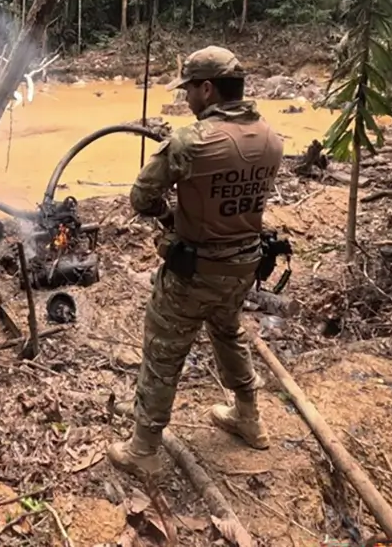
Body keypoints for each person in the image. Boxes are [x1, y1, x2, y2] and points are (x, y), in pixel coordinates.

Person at [108, 45, 284, 478]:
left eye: (188, 90)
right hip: (244, 268)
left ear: (208, 89)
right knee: (228, 332)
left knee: (163, 350)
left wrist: (170, 216)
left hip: (194, 271)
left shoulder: (191, 141)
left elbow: (141, 197)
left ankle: (144, 449)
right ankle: (248, 417)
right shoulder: (271, 137)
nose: (186, 98)